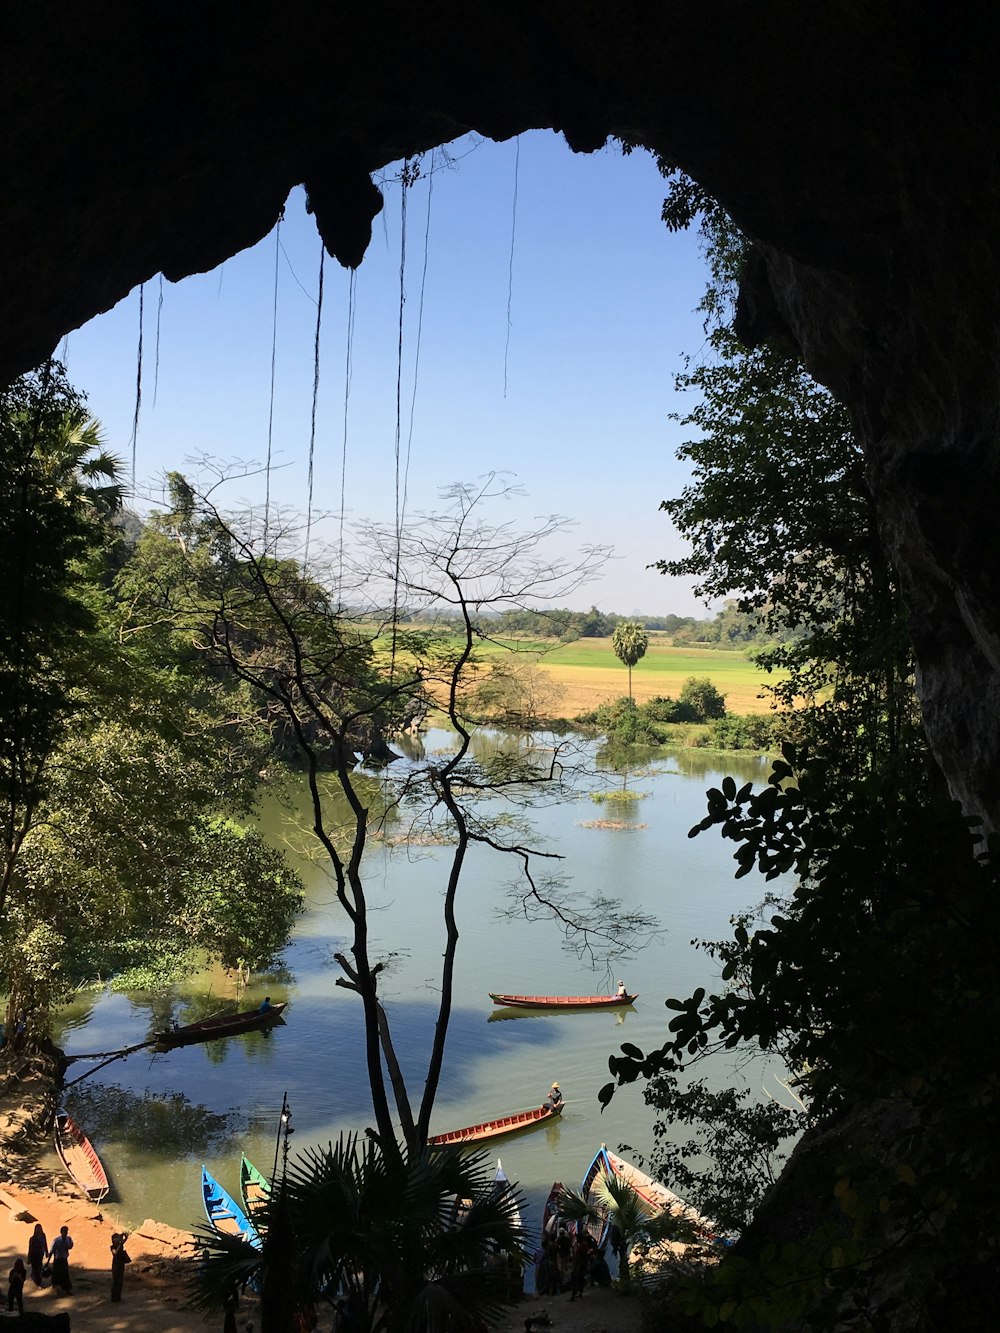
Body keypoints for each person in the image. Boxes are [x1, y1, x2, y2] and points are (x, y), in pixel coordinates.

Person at [50, 1224, 74, 1292]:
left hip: (64, 1258)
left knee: (65, 1274)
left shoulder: (68, 1239)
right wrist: (48, 1260)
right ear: (61, 1232)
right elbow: (52, 1250)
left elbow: (70, 1246)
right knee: (56, 1273)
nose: (65, 1233)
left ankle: (66, 1288)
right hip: (57, 1259)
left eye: (66, 1231)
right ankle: (55, 1286)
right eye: (64, 1231)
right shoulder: (56, 1240)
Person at [110, 1231, 131, 1302]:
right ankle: (114, 1297)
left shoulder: (120, 1245)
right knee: (116, 1280)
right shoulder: (112, 1247)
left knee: (120, 1281)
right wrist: (120, 1244)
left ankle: (118, 1297)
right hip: (116, 1264)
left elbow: (125, 1239)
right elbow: (115, 1253)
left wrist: (124, 1236)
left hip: (121, 1264)